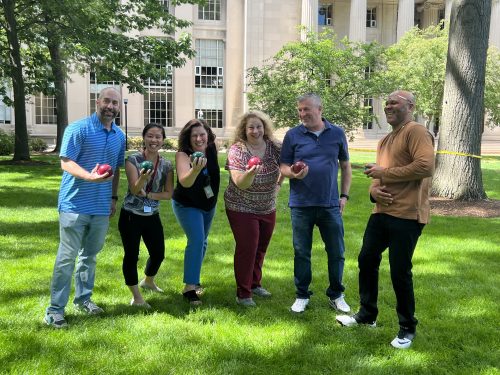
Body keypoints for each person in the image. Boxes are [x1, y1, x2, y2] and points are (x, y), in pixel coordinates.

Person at [336, 90, 435, 350]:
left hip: (407, 215)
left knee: (399, 270)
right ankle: (367, 315)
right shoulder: (385, 140)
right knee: (367, 259)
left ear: (411, 106)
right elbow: (379, 178)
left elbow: (425, 166)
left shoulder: (417, 132)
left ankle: (407, 328)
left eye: (395, 103)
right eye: (388, 103)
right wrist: (373, 190)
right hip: (381, 212)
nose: (389, 106)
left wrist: (385, 172)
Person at [44, 87, 126, 328]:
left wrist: (113, 198)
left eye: (115, 103)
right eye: (107, 101)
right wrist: (89, 177)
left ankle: (83, 299)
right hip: (74, 204)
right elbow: (66, 162)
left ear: (119, 107)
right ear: (97, 101)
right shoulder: (78, 129)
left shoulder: (119, 136)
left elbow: (116, 169)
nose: (111, 106)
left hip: (101, 207)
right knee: (67, 257)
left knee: (89, 256)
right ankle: (54, 310)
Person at [280, 93, 352, 314]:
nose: (302, 114)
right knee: (302, 251)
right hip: (301, 205)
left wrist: (344, 196)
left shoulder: (337, 133)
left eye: (306, 109)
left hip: (330, 204)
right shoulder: (292, 135)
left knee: (336, 251)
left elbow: (346, 166)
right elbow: (283, 167)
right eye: (300, 110)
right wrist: (293, 173)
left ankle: (336, 294)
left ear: (319, 109)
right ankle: (302, 294)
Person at [224, 111, 284, 307]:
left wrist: (278, 185)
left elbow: (286, 166)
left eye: (259, 126)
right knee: (247, 248)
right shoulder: (237, 150)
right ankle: (243, 293)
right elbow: (240, 182)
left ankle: (255, 283)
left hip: (267, 206)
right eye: (251, 127)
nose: (255, 130)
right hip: (241, 205)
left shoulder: (275, 148)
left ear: (264, 127)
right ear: (244, 129)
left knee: (261, 248)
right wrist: (250, 173)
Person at [118, 123, 174, 308]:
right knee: (132, 255)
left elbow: (168, 193)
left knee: (158, 253)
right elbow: (134, 189)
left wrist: (149, 195)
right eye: (150, 136)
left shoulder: (166, 164)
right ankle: (136, 297)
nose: (154, 140)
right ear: (144, 138)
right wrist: (143, 177)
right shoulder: (132, 160)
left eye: (158, 137)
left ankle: (148, 281)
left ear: (162, 140)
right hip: (131, 216)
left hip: (152, 215)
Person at [172, 119, 220, 306]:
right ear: (188, 138)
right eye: (194, 136)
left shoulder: (212, 148)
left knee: (203, 242)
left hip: (209, 204)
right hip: (187, 204)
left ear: (207, 135)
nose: (199, 138)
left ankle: (195, 278)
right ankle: (189, 288)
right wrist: (195, 170)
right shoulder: (183, 155)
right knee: (197, 241)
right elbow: (185, 181)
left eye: (202, 134)